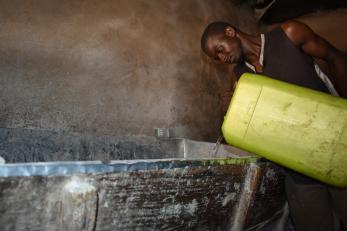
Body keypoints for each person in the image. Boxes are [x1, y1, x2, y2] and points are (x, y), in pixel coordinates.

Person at [200, 20, 347, 231]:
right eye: (217, 57)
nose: (222, 59)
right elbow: (249, 131)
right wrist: (228, 112)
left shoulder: (288, 34)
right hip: (298, 171)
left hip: (338, 150)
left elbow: (335, 56)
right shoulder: (240, 78)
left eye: (220, 50)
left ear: (230, 32)